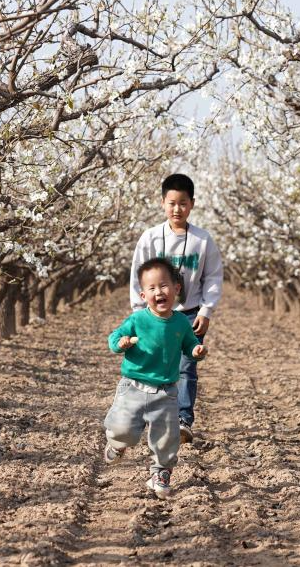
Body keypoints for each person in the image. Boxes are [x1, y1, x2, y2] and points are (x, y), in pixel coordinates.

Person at [130, 173, 223, 444]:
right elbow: (138, 273)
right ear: (162, 203)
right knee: (156, 365)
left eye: (183, 203)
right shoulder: (150, 239)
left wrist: (206, 311)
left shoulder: (202, 240)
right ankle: (156, 416)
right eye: (172, 203)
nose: (177, 209)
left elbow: (213, 277)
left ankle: (183, 420)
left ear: (192, 204)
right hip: (155, 314)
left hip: (190, 314)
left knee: (186, 367)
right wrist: (139, 314)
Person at [104, 258, 208, 499]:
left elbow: (190, 344)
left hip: (166, 391)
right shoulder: (138, 320)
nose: (158, 292)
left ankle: (160, 473)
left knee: (166, 437)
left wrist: (196, 351)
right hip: (133, 388)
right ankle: (117, 443)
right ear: (143, 295)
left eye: (164, 286)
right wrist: (120, 344)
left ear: (176, 289)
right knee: (123, 430)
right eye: (151, 288)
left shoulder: (181, 322)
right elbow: (114, 338)